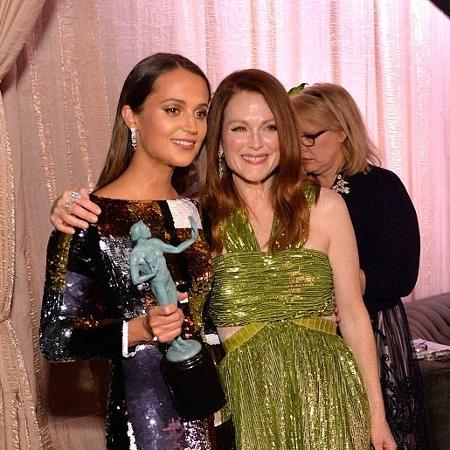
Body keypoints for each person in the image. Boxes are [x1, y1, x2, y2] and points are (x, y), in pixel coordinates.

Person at [48, 70, 396, 449]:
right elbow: (130, 221)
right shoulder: (196, 219)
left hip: (331, 399)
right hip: (248, 405)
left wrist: (378, 417)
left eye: (269, 127)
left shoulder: (327, 207)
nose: (256, 144)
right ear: (218, 140)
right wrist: (71, 209)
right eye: (239, 129)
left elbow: (356, 316)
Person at [40, 53, 218, 450]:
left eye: (201, 112)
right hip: (146, 420)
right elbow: (55, 337)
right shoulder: (87, 218)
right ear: (131, 116)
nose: (192, 126)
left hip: (215, 407)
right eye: (173, 109)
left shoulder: (200, 210)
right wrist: (139, 329)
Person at [290, 83, 426, 450]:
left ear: (343, 131)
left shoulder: (382, 187)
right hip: (313, 337)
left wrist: (353, 281)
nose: (302, 148)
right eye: (294, 137)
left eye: (311, 137)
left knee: (381, 434)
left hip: (376, 329)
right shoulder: (291, 194)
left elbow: (403, 274)